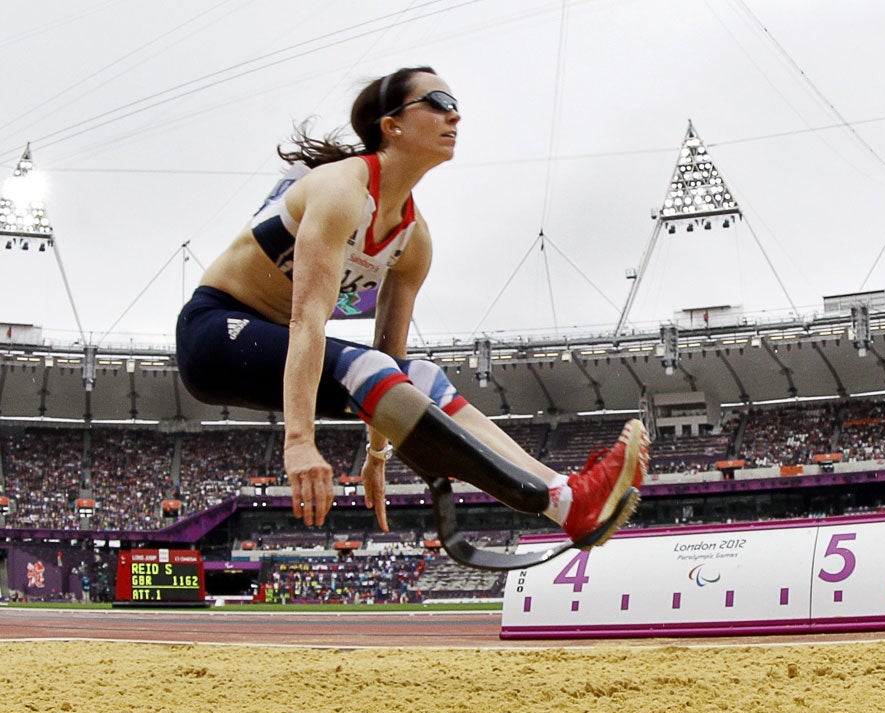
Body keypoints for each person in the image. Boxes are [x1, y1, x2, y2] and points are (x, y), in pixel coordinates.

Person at [175, 65, 649, 550]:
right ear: (392, 124)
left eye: (456, 105)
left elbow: (392, 359)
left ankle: (567, 499)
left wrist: (378, 455)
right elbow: (307, 322)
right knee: (371, 363)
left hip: (283, 347)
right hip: (214, 334)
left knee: (420, 374)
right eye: (439, 103)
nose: (456, 116)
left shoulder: (413, 239)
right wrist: (299, 443)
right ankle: (557, 499)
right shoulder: (340, 190)